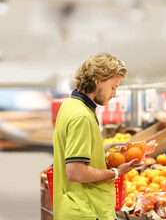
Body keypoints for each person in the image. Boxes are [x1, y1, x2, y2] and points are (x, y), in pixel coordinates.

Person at [53, 53, 138, 220]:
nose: (114, 94)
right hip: (86, 210)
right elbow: (76, 172)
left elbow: (73, 152)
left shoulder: (70, 105)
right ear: (99, 79)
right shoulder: (82, 116)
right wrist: (115, 172)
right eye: (113, 87)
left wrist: (105, 149)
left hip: (73, 206)